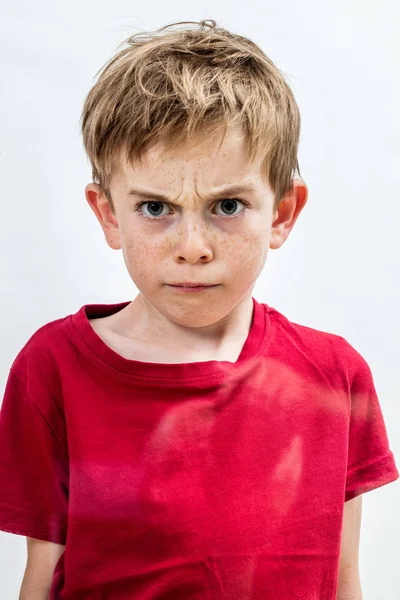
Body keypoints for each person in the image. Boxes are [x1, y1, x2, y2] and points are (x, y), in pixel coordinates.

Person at [0, 18, 398, 600]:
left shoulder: (336, 376)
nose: (193, 246)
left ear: (283, 212)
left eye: (228, 205)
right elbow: (40, 575)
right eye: (156, 207)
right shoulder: (52, 367)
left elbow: (343, 582)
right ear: (109, 214)